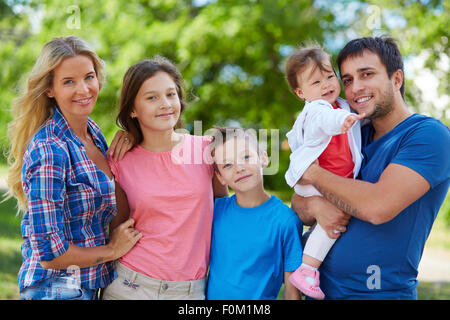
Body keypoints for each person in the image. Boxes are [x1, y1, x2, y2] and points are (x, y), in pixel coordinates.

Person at [291, 36, 450, 299]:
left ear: (396, 79)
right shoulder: (352, 136)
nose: (355, 88)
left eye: (367, 74)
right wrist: (316, 206)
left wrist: (313, 172)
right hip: (319, 291)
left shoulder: (428, 135)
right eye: (348, 80)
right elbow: (298, 204)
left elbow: (377, 208)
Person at [6, 36, 141, 300]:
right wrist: (113, 250)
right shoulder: (49, 149)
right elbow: (49, 252)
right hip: (54, 289)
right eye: (69, 81)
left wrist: (135, 135)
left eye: (89, 77)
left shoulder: (92, 132)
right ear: (49, 89)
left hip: (86, 286)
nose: (83, 89)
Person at [101, 57, 228, 300]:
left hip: (189, 292)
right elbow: (118, 227)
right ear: (132, 109)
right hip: (130, 286)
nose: (165, 104)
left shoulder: (207, 151)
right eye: (152, 97)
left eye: (171, 94)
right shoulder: (120, 159)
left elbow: (226, 214)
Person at [283, 44, 365, 299]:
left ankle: (306, 266)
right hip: (315, 177)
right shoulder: (318, 109)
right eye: (316, 82)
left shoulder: (341, 104)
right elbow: (326, 121)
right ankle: (307, 268)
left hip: (329, 176)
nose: (326, 84)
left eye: (330, 76)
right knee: (334, 220)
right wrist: (342, 120)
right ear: (301, 93)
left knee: (330, 221)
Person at [206, 127, 303, 300]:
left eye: (246, 157)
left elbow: (292, 289)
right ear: (220, 177)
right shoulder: (215, 211)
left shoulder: (285, 220)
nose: (239, 168)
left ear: (263, 158)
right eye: (227, 165)